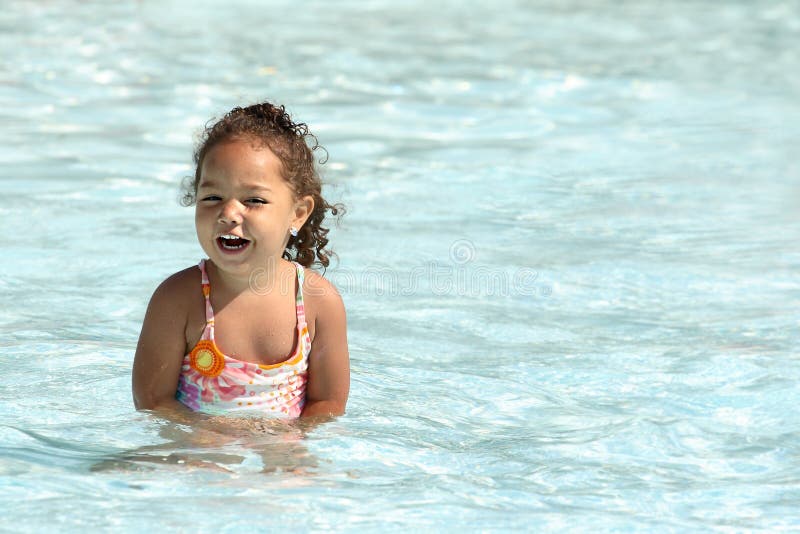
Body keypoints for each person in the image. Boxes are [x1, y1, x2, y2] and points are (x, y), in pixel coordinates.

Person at [132, 102, 349, 420]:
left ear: (298, 213)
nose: (228, 213)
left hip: (281, 457)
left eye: (254, 200)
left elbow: (328, 403)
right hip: (199, 453)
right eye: (212, 198)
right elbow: (152, 400)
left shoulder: (318, 302)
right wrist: (204, 436)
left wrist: (290, 444)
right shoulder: (178, 299)